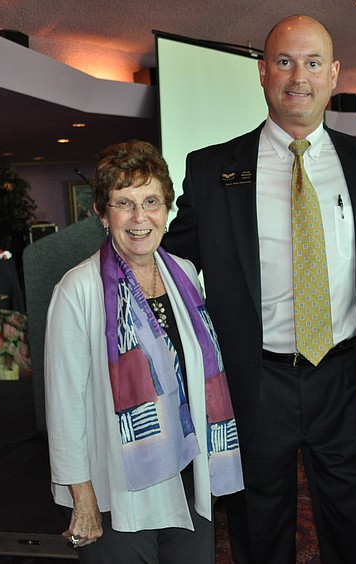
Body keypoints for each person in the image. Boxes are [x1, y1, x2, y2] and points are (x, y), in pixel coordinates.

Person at [162, 14, 356, 564]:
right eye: (284, 62)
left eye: (313, 63)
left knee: (355, 525)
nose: (298, 77)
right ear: (262, 73)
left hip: (344, 378)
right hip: (255, 381)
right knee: (257, 529)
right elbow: (171, 261)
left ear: (334, 74)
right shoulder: (212, 169)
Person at [44, 140, 243, 563]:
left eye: (151, 201)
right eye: (123, 203)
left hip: (189, 475)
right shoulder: (79, 289)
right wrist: (82, 499)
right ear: (102, 213)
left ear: (167, 209)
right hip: (118, 489)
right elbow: (64, 407)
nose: (139, 218)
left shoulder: (184, 274)